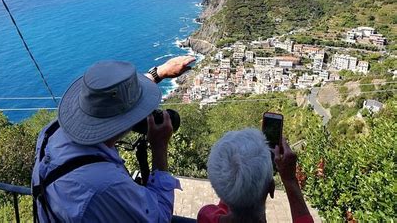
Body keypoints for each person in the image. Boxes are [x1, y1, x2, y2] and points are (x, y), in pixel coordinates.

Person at [32, 56, 195, 222]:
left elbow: (113, 99)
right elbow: (159, 217)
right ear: (129, 118)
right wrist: (159, 148)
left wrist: (158, 73)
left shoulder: (52, 131)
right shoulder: (105, 185)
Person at [198, 129, 313, 223]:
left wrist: (233, 181)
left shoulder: (206, 216)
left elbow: (226, 201)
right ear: (271, 189)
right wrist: (290, 180)